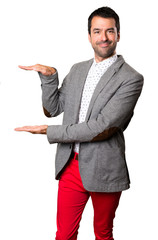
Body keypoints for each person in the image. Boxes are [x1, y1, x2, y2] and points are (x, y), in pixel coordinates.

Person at [15, 6, 144, 240]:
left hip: (104, 167)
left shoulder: (131, 79)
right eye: (97, 31)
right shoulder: (77, 70)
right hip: (70, 165)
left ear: (118, 34)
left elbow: (102, 128)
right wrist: (49, 77)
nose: (103, 37)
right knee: (64, 235)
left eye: (109, 31)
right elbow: (53, 109)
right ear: (89, 35)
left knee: (103, 234)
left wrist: (48, 131)